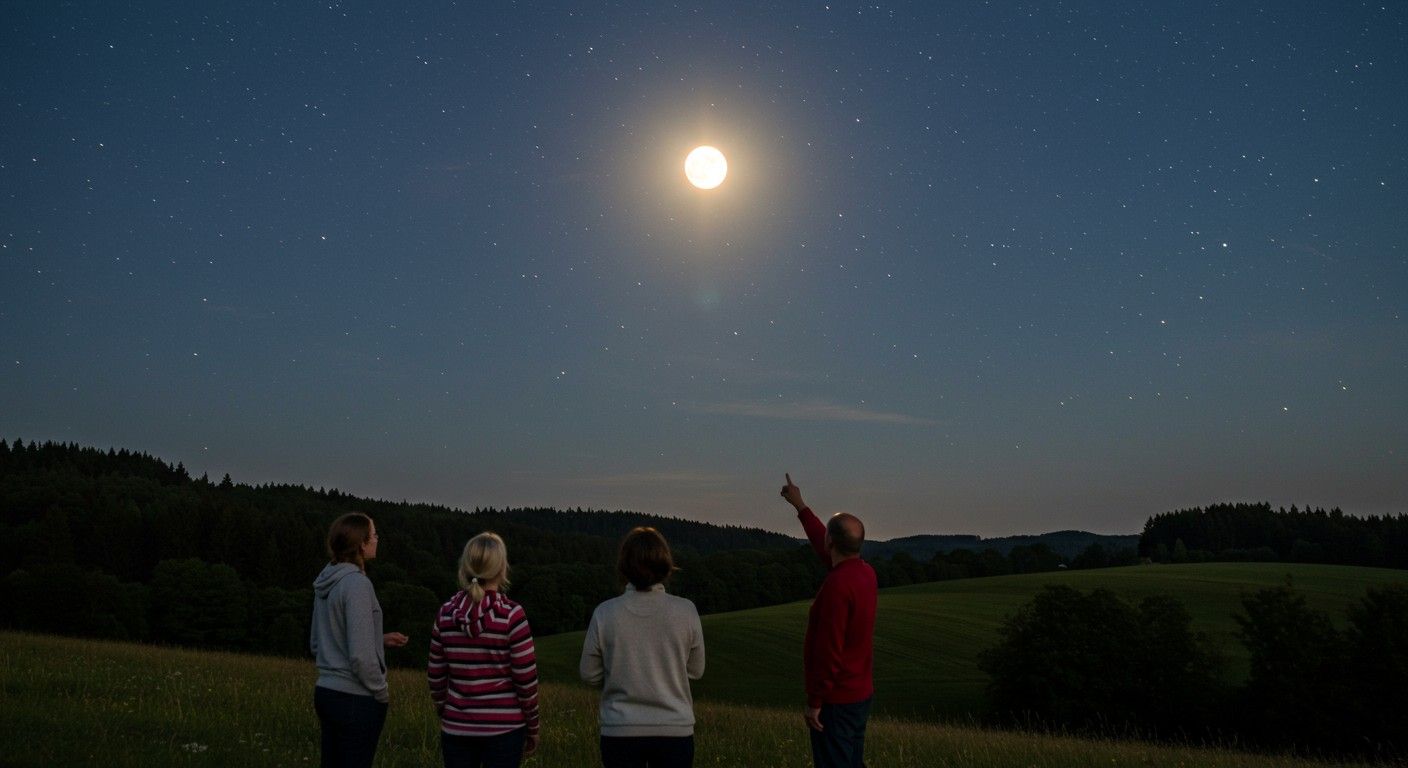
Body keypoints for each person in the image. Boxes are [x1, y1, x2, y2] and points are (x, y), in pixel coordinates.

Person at [580, 527, 705, 768]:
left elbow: (589, 673)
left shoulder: (605, 612)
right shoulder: (686, 610)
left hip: (619, 731)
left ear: (624, 566)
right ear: (665, 565)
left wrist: (620, 675)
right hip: (675, 731)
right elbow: (696, 671)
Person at [779, 474, 877, 768]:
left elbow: (829, 651)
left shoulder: (837, 587)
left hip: (836, 701)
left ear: (831, 540)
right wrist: (800, 506)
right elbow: (828, 551)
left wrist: (815, 701)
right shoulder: (864, 573)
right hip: (859, 694)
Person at [428, 532, 540, 768]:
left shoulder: (445, 614)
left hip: (457, 728)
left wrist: (446, 711)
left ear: (466, 566)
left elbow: (436, 677)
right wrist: (533, 726)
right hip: (505, 730)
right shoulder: (512, 615)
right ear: (501, 569)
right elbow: (526, 682)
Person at [311, 512, 410, 768]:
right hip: (355, 699)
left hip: (326, 692)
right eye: (374, 535)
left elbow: (317, 642)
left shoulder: (327, 580)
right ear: (362, 544)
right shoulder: (357, 585)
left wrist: (378, 638)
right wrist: (380, 692)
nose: (377, 539)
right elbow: (360, 657)